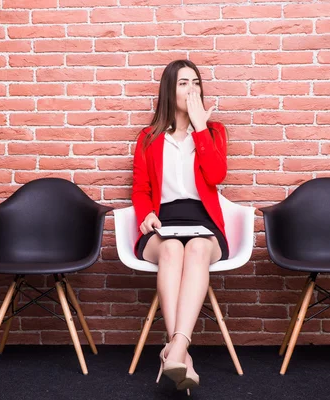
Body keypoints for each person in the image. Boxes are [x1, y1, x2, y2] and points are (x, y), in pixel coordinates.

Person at [131, 59, 229, 393]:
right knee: (172, 248)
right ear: (169, 90)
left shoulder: (215, 132)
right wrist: (146, 215)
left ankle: (175, 350)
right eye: (184, 83)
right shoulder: (148, 138)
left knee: (198, 246)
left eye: (196, 82)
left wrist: (200, 128)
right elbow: (141, 190)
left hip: (204, 222)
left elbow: (216, 176)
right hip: (164, 223)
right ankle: (182, 355)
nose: (192, 89)